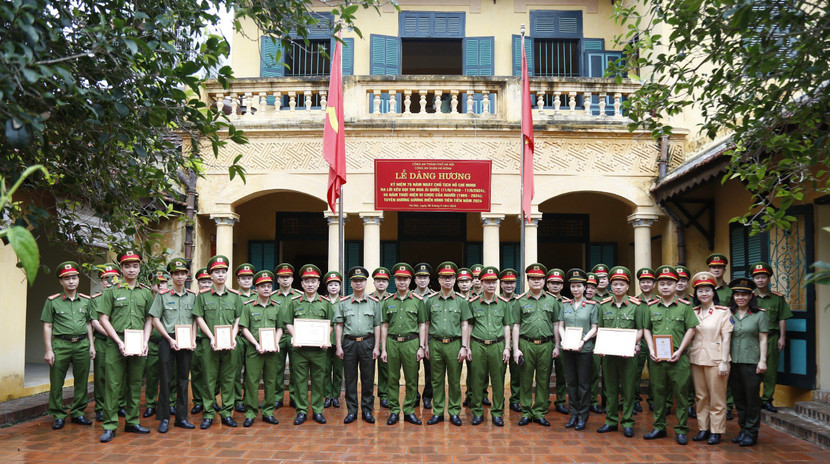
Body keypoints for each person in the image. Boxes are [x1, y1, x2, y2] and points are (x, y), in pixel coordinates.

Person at [97, 251, 154, 443]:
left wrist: (145, 341)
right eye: (127, 266)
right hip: (116, 342)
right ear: (121, 269)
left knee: (135, 384)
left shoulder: (146, 292)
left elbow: (149, 319)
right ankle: (110, 425)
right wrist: (118, 341)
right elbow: (103, 318)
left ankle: (132, 421)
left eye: (135, 266)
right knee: (113, 385)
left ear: (139, 268)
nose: (131, 269)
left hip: (138, 341)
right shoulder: (111, 291)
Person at [642, 265, 698, 445]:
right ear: (657, 286)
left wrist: (680, 351)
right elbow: (646, 330)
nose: (665, 287)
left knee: (681, 395)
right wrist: (651, 350)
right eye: (662, 283)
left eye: (669, 283)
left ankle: (681, 429)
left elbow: (691, 329)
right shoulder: (650, 307)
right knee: (658, 394)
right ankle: (659, 427)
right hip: (657, 359)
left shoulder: (685, 307)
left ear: (676, 286)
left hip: (679, 358)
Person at [42, 260, 95, 430]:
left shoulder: (86, 301)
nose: (71, 281)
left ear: (78, 279)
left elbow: (88, 324)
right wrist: (49, 350)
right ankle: (58, 414)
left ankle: (78, 412)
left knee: (82, 381)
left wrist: (91, 346)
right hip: (61, 345)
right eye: (67, 278)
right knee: (57, 382)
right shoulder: (53, 301)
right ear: (61, 281)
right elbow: (47, 326)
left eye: (74, 277)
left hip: (82, 344)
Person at [192, 255, 243, 429]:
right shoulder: (203, 296)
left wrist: (234, 336)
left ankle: (227, 413)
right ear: (210, 275)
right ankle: (208, 413)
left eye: (223, 271)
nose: (220, 275)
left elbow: (238, 318)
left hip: (230, 344)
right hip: (209, 343)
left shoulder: (235, 296)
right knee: (209, 379)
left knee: (229, 379)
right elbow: (199, 318)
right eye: (217, 272)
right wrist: (212, 337)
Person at [149, 259, 197, 432]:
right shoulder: (162, 296)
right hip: (167, 339)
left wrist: (192, 339)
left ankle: (181, 418)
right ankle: (163, 418)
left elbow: (195, 320)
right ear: (171, 276)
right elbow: (155, 319)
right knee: (165, 379)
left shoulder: (192, 296)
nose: (180, 277)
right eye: (176, 273)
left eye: (183, 273)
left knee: (184, 379)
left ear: (187, 275)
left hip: (186, 340)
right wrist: (170, 340)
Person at [283, 264, 334, 425]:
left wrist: (326, 337)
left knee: (319, 381)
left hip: (319, 350)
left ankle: (318, 411)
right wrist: (296, 335)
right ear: (302, 284)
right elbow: (288, 323)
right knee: (300, 380)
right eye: (307, 281)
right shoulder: (294, 302)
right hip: (300, 350)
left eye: (313, 281)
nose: (310, 284)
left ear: (319, 284)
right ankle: (301, 411)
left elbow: (331, 324)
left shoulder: (325, 303)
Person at [512, 263, 560, 427]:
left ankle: (539, 411)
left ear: (544, 280)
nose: (536, 281)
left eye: (539, 278)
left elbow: (556, 325)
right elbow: (516, 326)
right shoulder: (520, 301)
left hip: (546, 344)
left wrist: (557, 345)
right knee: (525, 379)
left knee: (543, 379)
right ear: (528, 281)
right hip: (526, 344)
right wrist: (516, 348)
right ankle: (526, 412)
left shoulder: (552, 301)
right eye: (533, 278)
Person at [596, 266, 642, 437]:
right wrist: (600, 345)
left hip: (628, 354)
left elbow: (640, 330)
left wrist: (631, 344)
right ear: (610, 286)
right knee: (610, 389)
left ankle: (628, 422)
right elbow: (600, 328)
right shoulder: (603, 305)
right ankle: (611, 420)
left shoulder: (636, 306)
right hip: (609, 355)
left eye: (621, 284)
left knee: (629, 389)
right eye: (615, 284)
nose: (618, 287)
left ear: (627, 287)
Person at [464, 266, 512, 427]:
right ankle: (477, 412)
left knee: (498, 381)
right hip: (478, 345)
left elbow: (507, 327)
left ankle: (497, 413)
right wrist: (468, 347)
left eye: (493, 282)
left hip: (497, 346)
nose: (491, 285)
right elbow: (469, 326)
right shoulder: (473, 303)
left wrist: (507, 347)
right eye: (488, 282)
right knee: (476, 380)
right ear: (482, 283)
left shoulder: (504, 304)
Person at [380, 262, 427, 426]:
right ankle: (394, 411)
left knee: (411, 379)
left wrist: (422, 346)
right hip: (393, 343)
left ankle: (408, 410)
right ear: (395, 280)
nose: (402, 282)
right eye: (399, 278)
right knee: (392, 379)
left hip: (411, 343)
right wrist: (383, 348)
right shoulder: (387, 301)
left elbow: (422, 324)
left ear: (410, 281)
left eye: (405, 279)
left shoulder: (418, 301)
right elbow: (384, 325)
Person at [688, 271, 732, 445]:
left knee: (717, 397)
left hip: (716, 360)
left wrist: (723, 362)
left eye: (707, 290)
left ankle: (716, 430)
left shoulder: (723, 312)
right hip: (696, 358)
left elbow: (727, 338)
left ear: (714, 292)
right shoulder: (693, 312)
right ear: (696, 294)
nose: (704, 293)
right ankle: (703, 428)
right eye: (700, 291)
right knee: (701, 397)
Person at [335, 266, 382, 424]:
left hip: (367, 343)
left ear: (365, 282)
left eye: (361, 280)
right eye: (355, 280)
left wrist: (376, 346)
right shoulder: (344, 302)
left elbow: (377, 326)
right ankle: (352, 411)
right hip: (349, 343)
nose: (358, 283)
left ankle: (367, 411)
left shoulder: (374, 303)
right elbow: (339, 325)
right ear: (351, 283)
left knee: (368, 379)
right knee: (350, 379)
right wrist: (339, 346)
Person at [424, 261, 466, 426]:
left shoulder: (462, 301)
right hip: (435, 344)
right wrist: (425, 345)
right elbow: (426, 324)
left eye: (450, 277)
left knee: (455, 380)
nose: (447, 280)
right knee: (436, 380)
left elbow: (464, 325)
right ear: (439, 280)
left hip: (454, 344)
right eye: (444, 277)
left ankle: (455, 412)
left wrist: (464, 346)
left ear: (455, 280)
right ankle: (438, 411)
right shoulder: (430, 300)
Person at [728, 278, 768, 447]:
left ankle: (752, 432)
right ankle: (743, 430)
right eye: (737, 294)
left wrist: (763, 361)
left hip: (752, 362)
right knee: (739, 399)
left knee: (752, 399)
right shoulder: (729, 314)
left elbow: (763, 339)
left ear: (751, 296)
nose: (740, 298)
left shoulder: (760, 314)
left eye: (744, 294)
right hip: (733, 362)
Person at [238, 270, 281, 427]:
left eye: (269, 286)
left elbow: (280, 328)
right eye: (262, 286)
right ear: (256, 289)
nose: (266, 289)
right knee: (252, 382)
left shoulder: (277, 307)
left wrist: (275, 343)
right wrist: (256, 344)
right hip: (254, 350)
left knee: (271, 381)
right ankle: (250, 413)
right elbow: (244, 328)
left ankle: (268, 412)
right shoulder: (248, 307)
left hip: (271, 351)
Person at [559, 268, 598, 431]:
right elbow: (561, 326)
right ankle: (573, 415)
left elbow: (595, 328)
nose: (576, 289)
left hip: (584, 349)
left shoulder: (591, 306)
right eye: (573, 286)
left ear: (585, 288)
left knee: (584, 384)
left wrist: (583, 340)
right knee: (572, 383)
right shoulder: (565, 305)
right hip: (568, 349)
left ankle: (583, 417)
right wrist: (564, 338)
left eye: (579, 286)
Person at [751, 261, 792, 413]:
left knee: (771, 370)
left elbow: (782, 318)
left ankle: (767, 399)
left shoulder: (777, 298)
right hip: (753, 338)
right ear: (754, 280)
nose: (760, 280)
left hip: (772, 337)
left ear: (768, 279)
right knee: (752, 369)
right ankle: (753, 399)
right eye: (757, 277)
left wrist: (783, 337)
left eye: (763, 277)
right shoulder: (750, 297)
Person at [90, 263, 121, 422]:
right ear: (101, 282)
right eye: (105, 279)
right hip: (103, 341)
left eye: (113, 278)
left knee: (120, 376)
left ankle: (119, 405)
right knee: (101, 376)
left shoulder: (123, 295)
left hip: (121, 341)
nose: (109, 281)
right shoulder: (96, 299)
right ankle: (100, 408)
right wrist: (112, 334)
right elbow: (95, 322)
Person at [707, 253, 734, 419]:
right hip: (707, 337)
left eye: (719, 267)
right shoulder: (703, 289)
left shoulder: (730, 291)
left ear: (724, 269)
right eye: (713, 267)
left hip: (724, 335)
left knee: (724, 370)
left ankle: (728, 404)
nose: (716, 270)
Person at [143, 271, 173, 420]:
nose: (160, 285)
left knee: (169, 374)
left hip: (168, 342)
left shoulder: (170, 297)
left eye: (164, 282)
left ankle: (170, 402)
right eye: (157, 282)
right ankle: (150, 404)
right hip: (153, 343)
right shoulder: (148, 298)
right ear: (151, 284)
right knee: (152, 374)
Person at [272, 263, 300, 409]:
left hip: (294, 335)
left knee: (296, 368)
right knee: (277, 368)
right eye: (282, 277)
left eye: (287, 277)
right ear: (277, 280)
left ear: (292, 279)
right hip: (277, 335)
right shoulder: (271, 296)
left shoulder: (300, 296)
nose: (285, 280)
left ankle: (294, 397)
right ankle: (277, 397)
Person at [545, 268, 569, 415]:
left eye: (558, 283)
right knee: (544, 374)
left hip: (564, 343)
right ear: (547, 284)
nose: (555, 286)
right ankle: (544, 401)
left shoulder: (567, 303)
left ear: (562, 286)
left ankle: (560, 401)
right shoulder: (543, 300)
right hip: (546, 342)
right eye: (552, 283)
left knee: (562, 374)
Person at [501, 267, 525, 414]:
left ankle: (515, 400)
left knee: (516, 374)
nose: (509, 285)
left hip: (517, 343)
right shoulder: (497, 301)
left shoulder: (520, 301)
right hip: (500, 344)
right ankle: (498, 399)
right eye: (506, 282)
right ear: (501, 284)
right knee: (498, 373)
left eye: (512, 282)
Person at [233, 263, 256, 413]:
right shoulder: (234, 296)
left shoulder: (259, 295)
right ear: (238, 281)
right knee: (235, 371)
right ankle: (236, 399)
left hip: (254, 339)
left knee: (252, 372)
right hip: (239, 338)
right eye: (243, 278)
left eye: (249, 278)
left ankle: (250, 399)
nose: (247, 281)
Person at [190, 267, 213, 415]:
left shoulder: (214, 298)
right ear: (198, 283)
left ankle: (210, 400)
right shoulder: (191, 297)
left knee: (210, 373)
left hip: (208, 340)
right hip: (193, 340)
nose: (205, 285)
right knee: (196, 372)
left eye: (208, 282)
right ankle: (198, 401)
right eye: (203, 282)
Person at [413, 263, 435, 410]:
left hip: (431, 339)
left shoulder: (435, 296)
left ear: (429, 279)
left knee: (431, 371)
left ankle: (427, 397)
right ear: (415, 280)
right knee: (412, 370)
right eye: (419, 277)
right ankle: (413, 396)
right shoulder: (409, 296)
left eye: (425, 277)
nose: (422, 280)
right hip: (413, 339)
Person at [634, 267, 656, 413]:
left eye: (649, 282)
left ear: (654, 284)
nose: (646, 284)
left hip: (656, 343)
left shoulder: (659, 302)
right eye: (643, 282)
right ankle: (635, 399)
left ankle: (653, 400)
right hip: (638, 343)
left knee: (655, 374)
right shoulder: (634, 302)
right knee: (635, 372)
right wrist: (635, 343)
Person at [371, 267, 392, 408]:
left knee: (385, 368)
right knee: (368, 369)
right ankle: (368, 395)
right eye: (378, 280)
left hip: (386, 339)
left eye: (383, 281)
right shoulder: (368, 298)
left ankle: (384, 395)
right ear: (373, 282)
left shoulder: (392, 299)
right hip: (370, 339)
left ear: (388, 283)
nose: (381, 283)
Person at [322, 271, 344, 408]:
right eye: (331, 285)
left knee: (337, 370)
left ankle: (335, 396)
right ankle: (327, 396)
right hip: (324, 340)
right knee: (325, 370)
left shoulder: (344, 301)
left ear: (340, 286)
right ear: (327, 287)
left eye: (336, 284)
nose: (333, 287)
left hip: (339, 341)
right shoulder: (322, 301)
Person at [584, 272, 604, 414]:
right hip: (581, 345)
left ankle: (593, 401)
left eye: (593, 287)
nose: (590, 290)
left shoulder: (600, 305)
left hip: (597, 344)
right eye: (587, 287)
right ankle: (582, 401)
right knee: (582, 375)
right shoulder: (576, 303)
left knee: (595, 374)